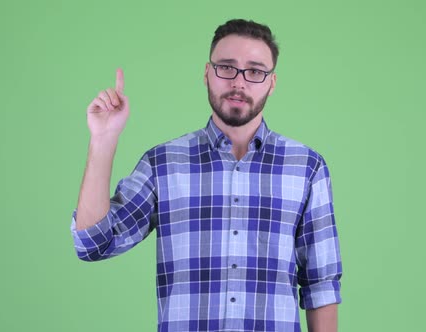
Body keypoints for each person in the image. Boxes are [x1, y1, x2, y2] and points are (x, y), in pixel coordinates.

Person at [71, 19, 342, 332]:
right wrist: (103, 139)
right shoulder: (163, 163)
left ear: (272, 82)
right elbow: (93, 243)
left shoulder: (307, 166)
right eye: (226, 67)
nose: (239, 82)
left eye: (255, 71)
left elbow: (320, 284)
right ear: (207, 74)